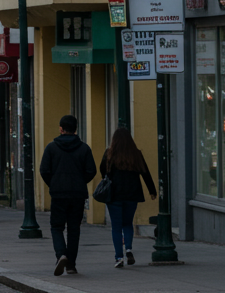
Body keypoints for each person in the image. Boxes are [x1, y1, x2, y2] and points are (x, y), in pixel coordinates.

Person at [40, 114, 98, 276]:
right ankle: (71, 264)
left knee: (56, 226)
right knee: (74, 229)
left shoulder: (52, 147)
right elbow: (91, 171)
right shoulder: (84, 148)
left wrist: (54, 183)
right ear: (75, 129)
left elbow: (44, 170)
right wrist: (80, 181)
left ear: (61, 129)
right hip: (77, 194)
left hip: (58, 193)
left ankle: (61, 254)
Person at [100, 127, 156, 268]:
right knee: (128, 224)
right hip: (132, 194)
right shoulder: (135, 154)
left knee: (116, 227)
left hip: (114, 195)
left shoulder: (109, 154)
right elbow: (145, 172)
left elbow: (102, 170)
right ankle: (129, 250)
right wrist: (152, 190)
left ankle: (119, 257)